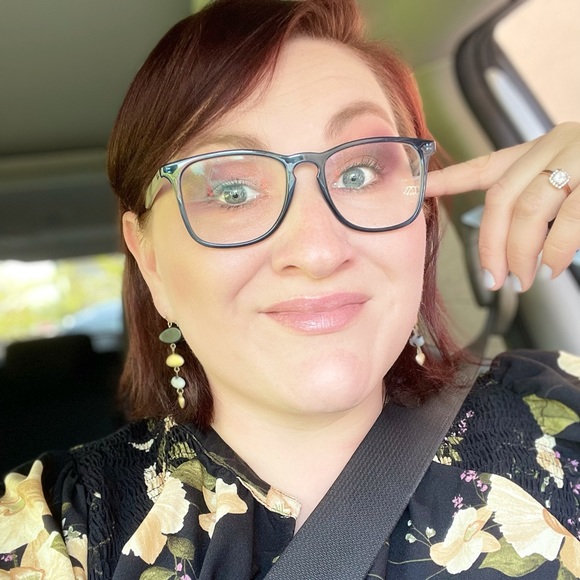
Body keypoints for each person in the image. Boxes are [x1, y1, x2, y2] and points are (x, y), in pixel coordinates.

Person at [1, 0, 579, 577]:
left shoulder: (559, 418)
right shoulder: (57, 531)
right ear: (149, 259)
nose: (318, 252)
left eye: (359, 173)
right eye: (232, 192)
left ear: (424, 220)